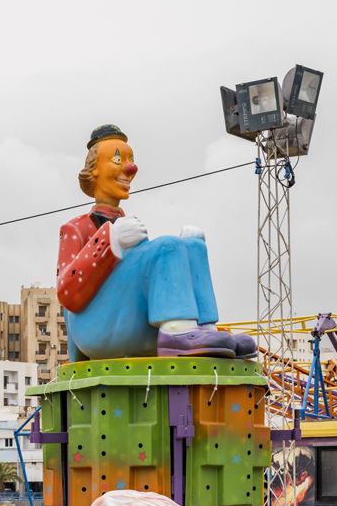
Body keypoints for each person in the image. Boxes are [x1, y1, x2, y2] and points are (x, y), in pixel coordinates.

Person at [55, 123, 258, 362]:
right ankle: (177, 334)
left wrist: (185, 252)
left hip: (131, 323)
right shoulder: (75, 228)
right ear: (95, 170)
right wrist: (110, 241)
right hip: (95, 329)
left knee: (190, 245)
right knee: (167, 247)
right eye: (118, 159)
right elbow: (66, 292)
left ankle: (204, 329)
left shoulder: (128, 225)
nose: (131, 168)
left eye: (131, 159)